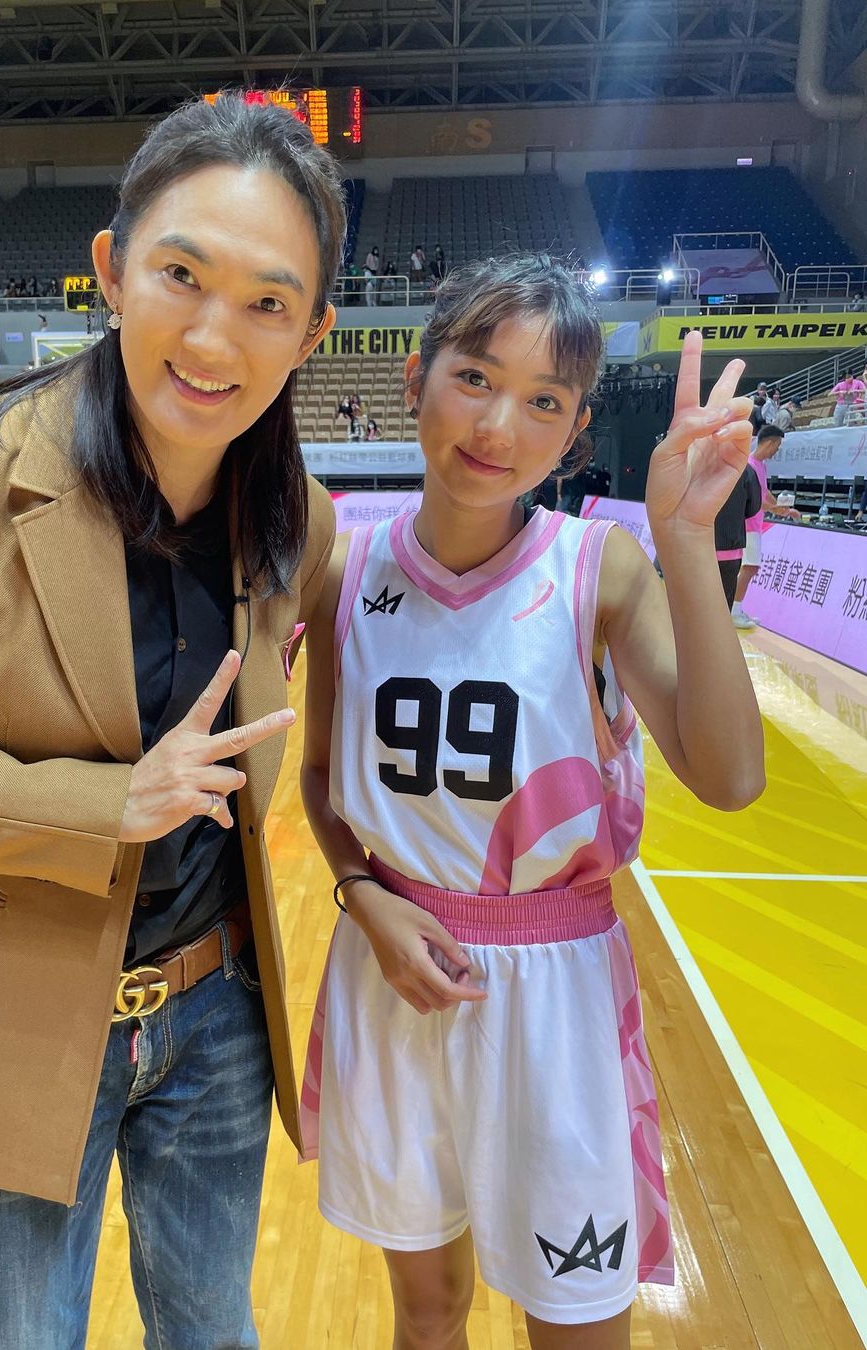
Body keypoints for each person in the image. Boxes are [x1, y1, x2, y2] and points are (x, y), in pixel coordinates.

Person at [0, 92, 344, 1350]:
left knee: (214, 1331)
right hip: (5, 1013)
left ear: (313, 330)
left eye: (268, 302)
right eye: (181, 275)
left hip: (216, 1008)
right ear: (111, 267)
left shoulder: (295, 517)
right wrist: (109, 804)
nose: (214, 336)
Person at [299, 256, 764, 1349]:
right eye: (474, 377)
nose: (499, 425)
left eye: (544, 400)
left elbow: (730, 777)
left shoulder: (601, 569)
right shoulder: (344, 571)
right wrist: (361, 895)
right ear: (415, 377)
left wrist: (685, 541)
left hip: (555, 991)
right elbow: (321, 778)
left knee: (575, 1324)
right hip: (392, 968)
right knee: (426, 1315)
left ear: (577, 429)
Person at [732, 424, 800, 629]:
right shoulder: (749, 466)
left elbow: (764, 493)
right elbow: (753, 499)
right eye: (776, 446)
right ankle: (733, 611)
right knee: (750, 567)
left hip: (754, 524)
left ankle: (735, 609)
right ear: (769, 443)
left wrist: (780, 508)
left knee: (748, 568)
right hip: (748, 525)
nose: (776, 451)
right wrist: (775, 509)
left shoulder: (760, 466)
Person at [714, 458, 763, 610]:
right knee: (723, 605)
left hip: (698, 547)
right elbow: (754, 507)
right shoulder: (746, 470)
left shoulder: (699, 464)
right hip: (730, 547)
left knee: (695, 605)